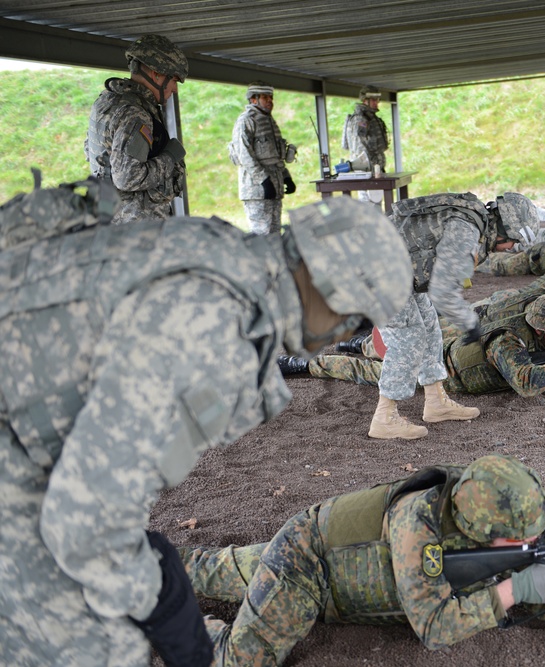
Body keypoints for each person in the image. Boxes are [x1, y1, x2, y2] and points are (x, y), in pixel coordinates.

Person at [0, 179, 413, 667]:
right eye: (359, 320)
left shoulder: (222, 253)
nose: (348, 334)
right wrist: (164, 603)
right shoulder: (216, 328)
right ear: (332, 286)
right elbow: (86, 524)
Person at [178, 455, 545, 663]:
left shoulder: (478, 508)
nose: (534, 541)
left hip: (340, 566)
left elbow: (534, 593)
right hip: (307, 564)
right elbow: (432, 626)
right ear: (485, 529)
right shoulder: (419, 526)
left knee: (205, 570)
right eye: (522, 540)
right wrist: (516, 588)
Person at [367, 191, 538, 440]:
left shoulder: (473, 222)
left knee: (429, 326)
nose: (511, 248)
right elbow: (442, 290)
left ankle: (436, 401)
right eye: (513, 241)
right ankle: (384, 418)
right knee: (410, 336)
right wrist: (470, 324)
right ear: (504, 228)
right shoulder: (466, 233)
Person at [293, 292, 545, 402]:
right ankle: (304, 363)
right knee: (369, 370)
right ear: (538, 328)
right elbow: (526, 384)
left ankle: (358, 344)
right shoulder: (506, 340)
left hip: (453, 344)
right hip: (443, 369)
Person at [84, 34, 189, 225]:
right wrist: (170, 157)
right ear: (157, 73)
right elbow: (128, 178)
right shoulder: (135, 113)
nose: (174, 89)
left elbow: (91, 150)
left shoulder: (107, 101)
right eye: (174, 80)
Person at [229, 81, 297, 235]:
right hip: (257, 191)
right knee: (262, 236)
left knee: (274, 234)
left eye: (271, 98)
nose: (270, 101)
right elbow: (244, 155)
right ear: (254, 99)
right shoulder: (246, 121)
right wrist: (264, 181)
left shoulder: (269, 121)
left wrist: (286, 177)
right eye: (265, 98)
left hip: (274, 189)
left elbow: (274, 156)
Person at [341, 85, 390, 203]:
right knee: (369, 207)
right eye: (373, 99)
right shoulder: (361, 120)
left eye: (377, 99)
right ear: (365, 100)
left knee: (375, 205)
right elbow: (360, 150)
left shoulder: (371, 118)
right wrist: (371, 169)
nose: (376, 102)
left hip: (374, 171)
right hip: (367, 172)